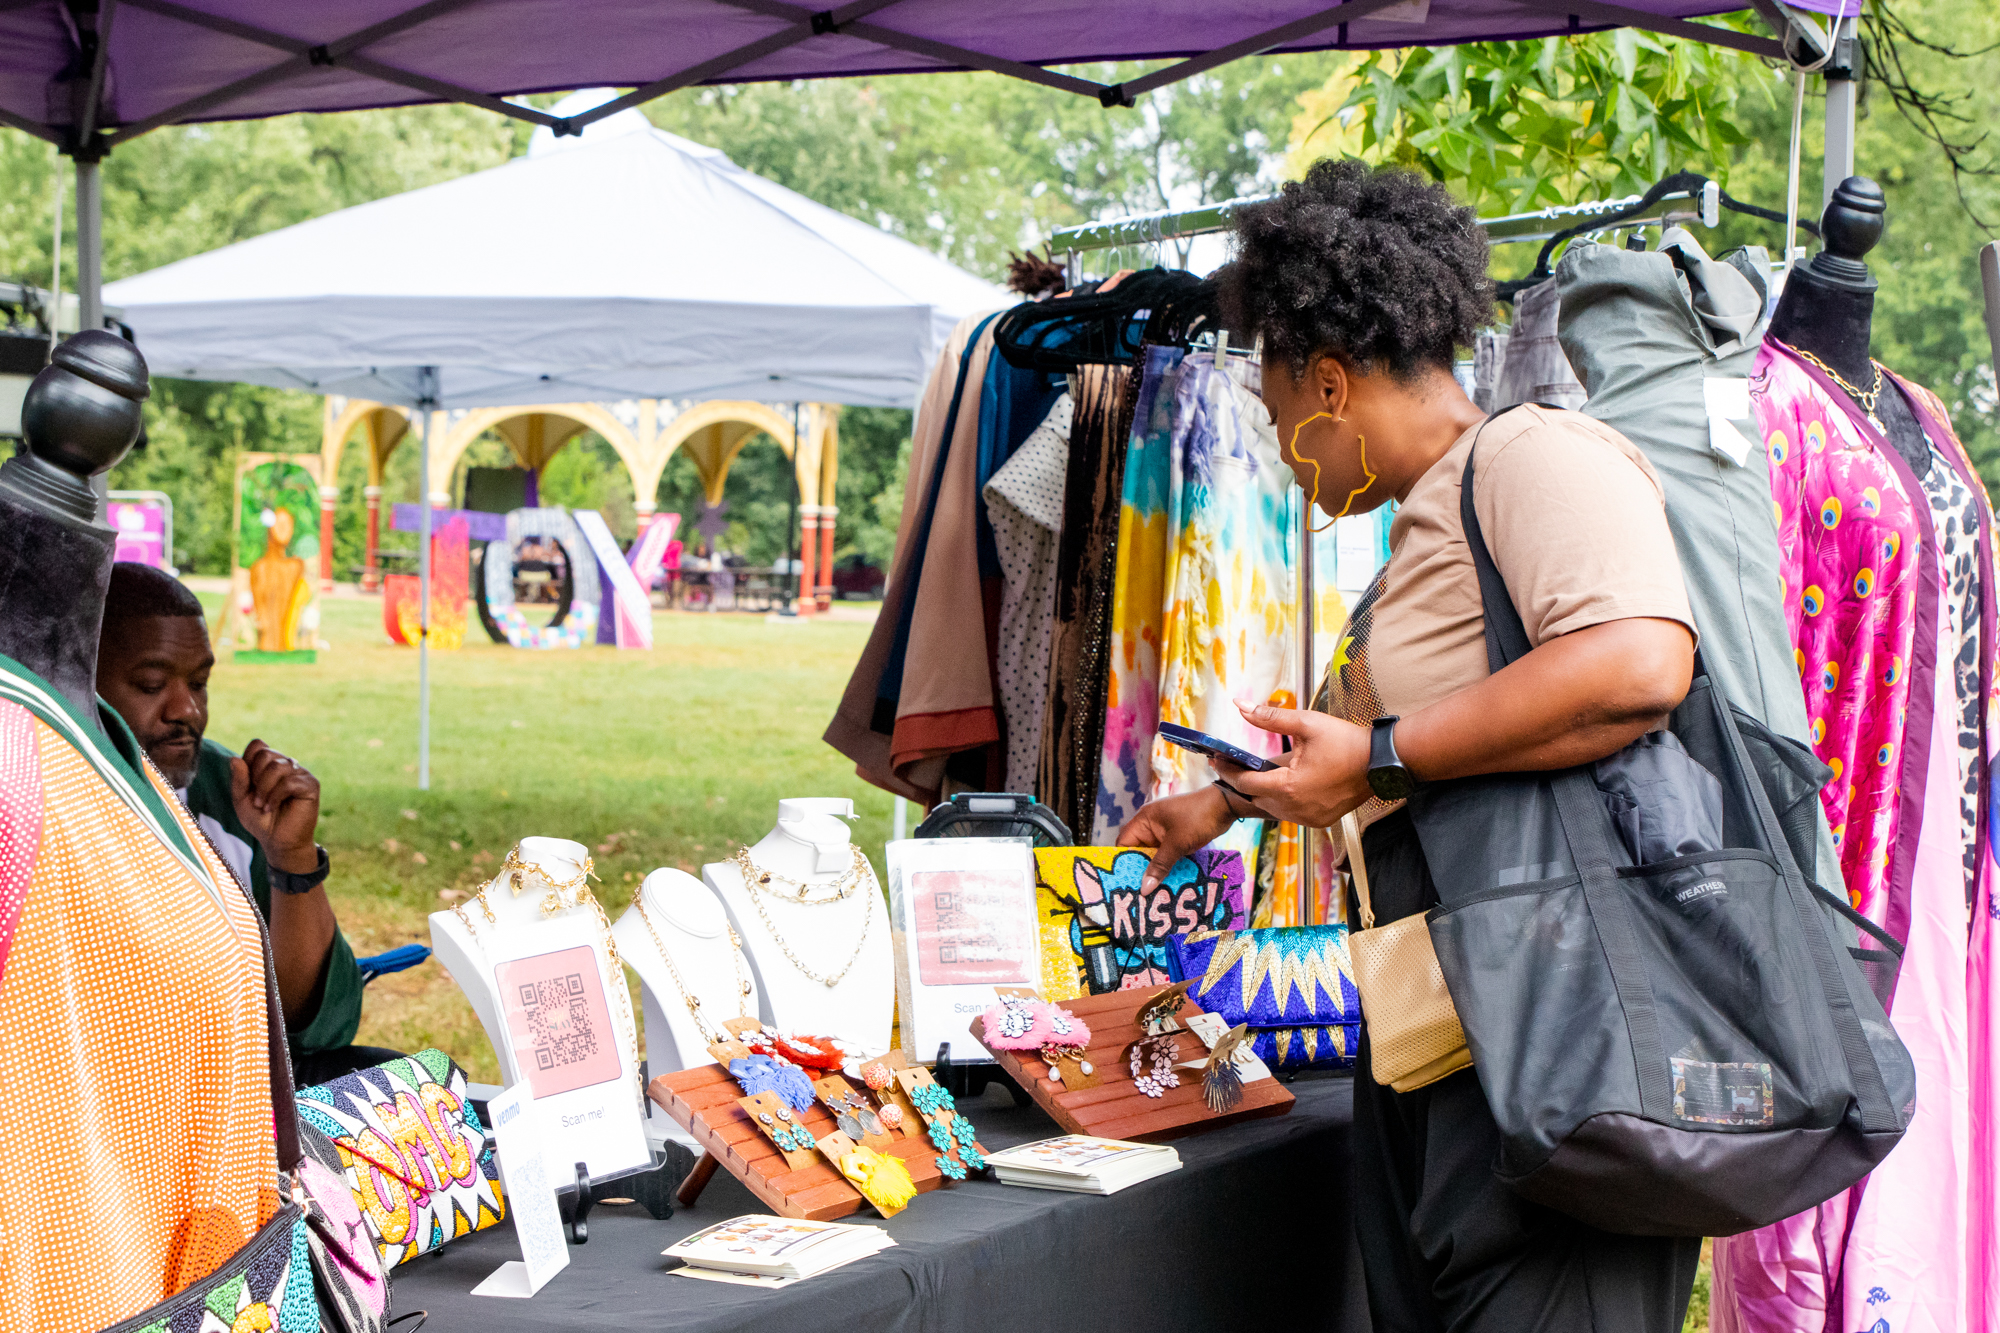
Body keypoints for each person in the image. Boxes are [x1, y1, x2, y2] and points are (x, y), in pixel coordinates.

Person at [1117, 161, 1702, 1331]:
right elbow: (1379, 746)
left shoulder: (1535, 458)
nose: (1279, 445)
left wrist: (1379, 753)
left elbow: (1639, 662)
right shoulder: (1430, 519)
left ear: (1328, 383)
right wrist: (1221, 805)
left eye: (1275, 413)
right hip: (1445, 1042)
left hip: (1556, 1044)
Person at [95, 561, 395, 1085]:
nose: (187, 709)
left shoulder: (231, 798)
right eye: (151, 684)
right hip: (97, 1094)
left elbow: (307, 1030)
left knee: (397, 1083)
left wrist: (291, 858)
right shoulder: (36, 794)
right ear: (79, 681)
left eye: (200, 683)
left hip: (228, 1087)